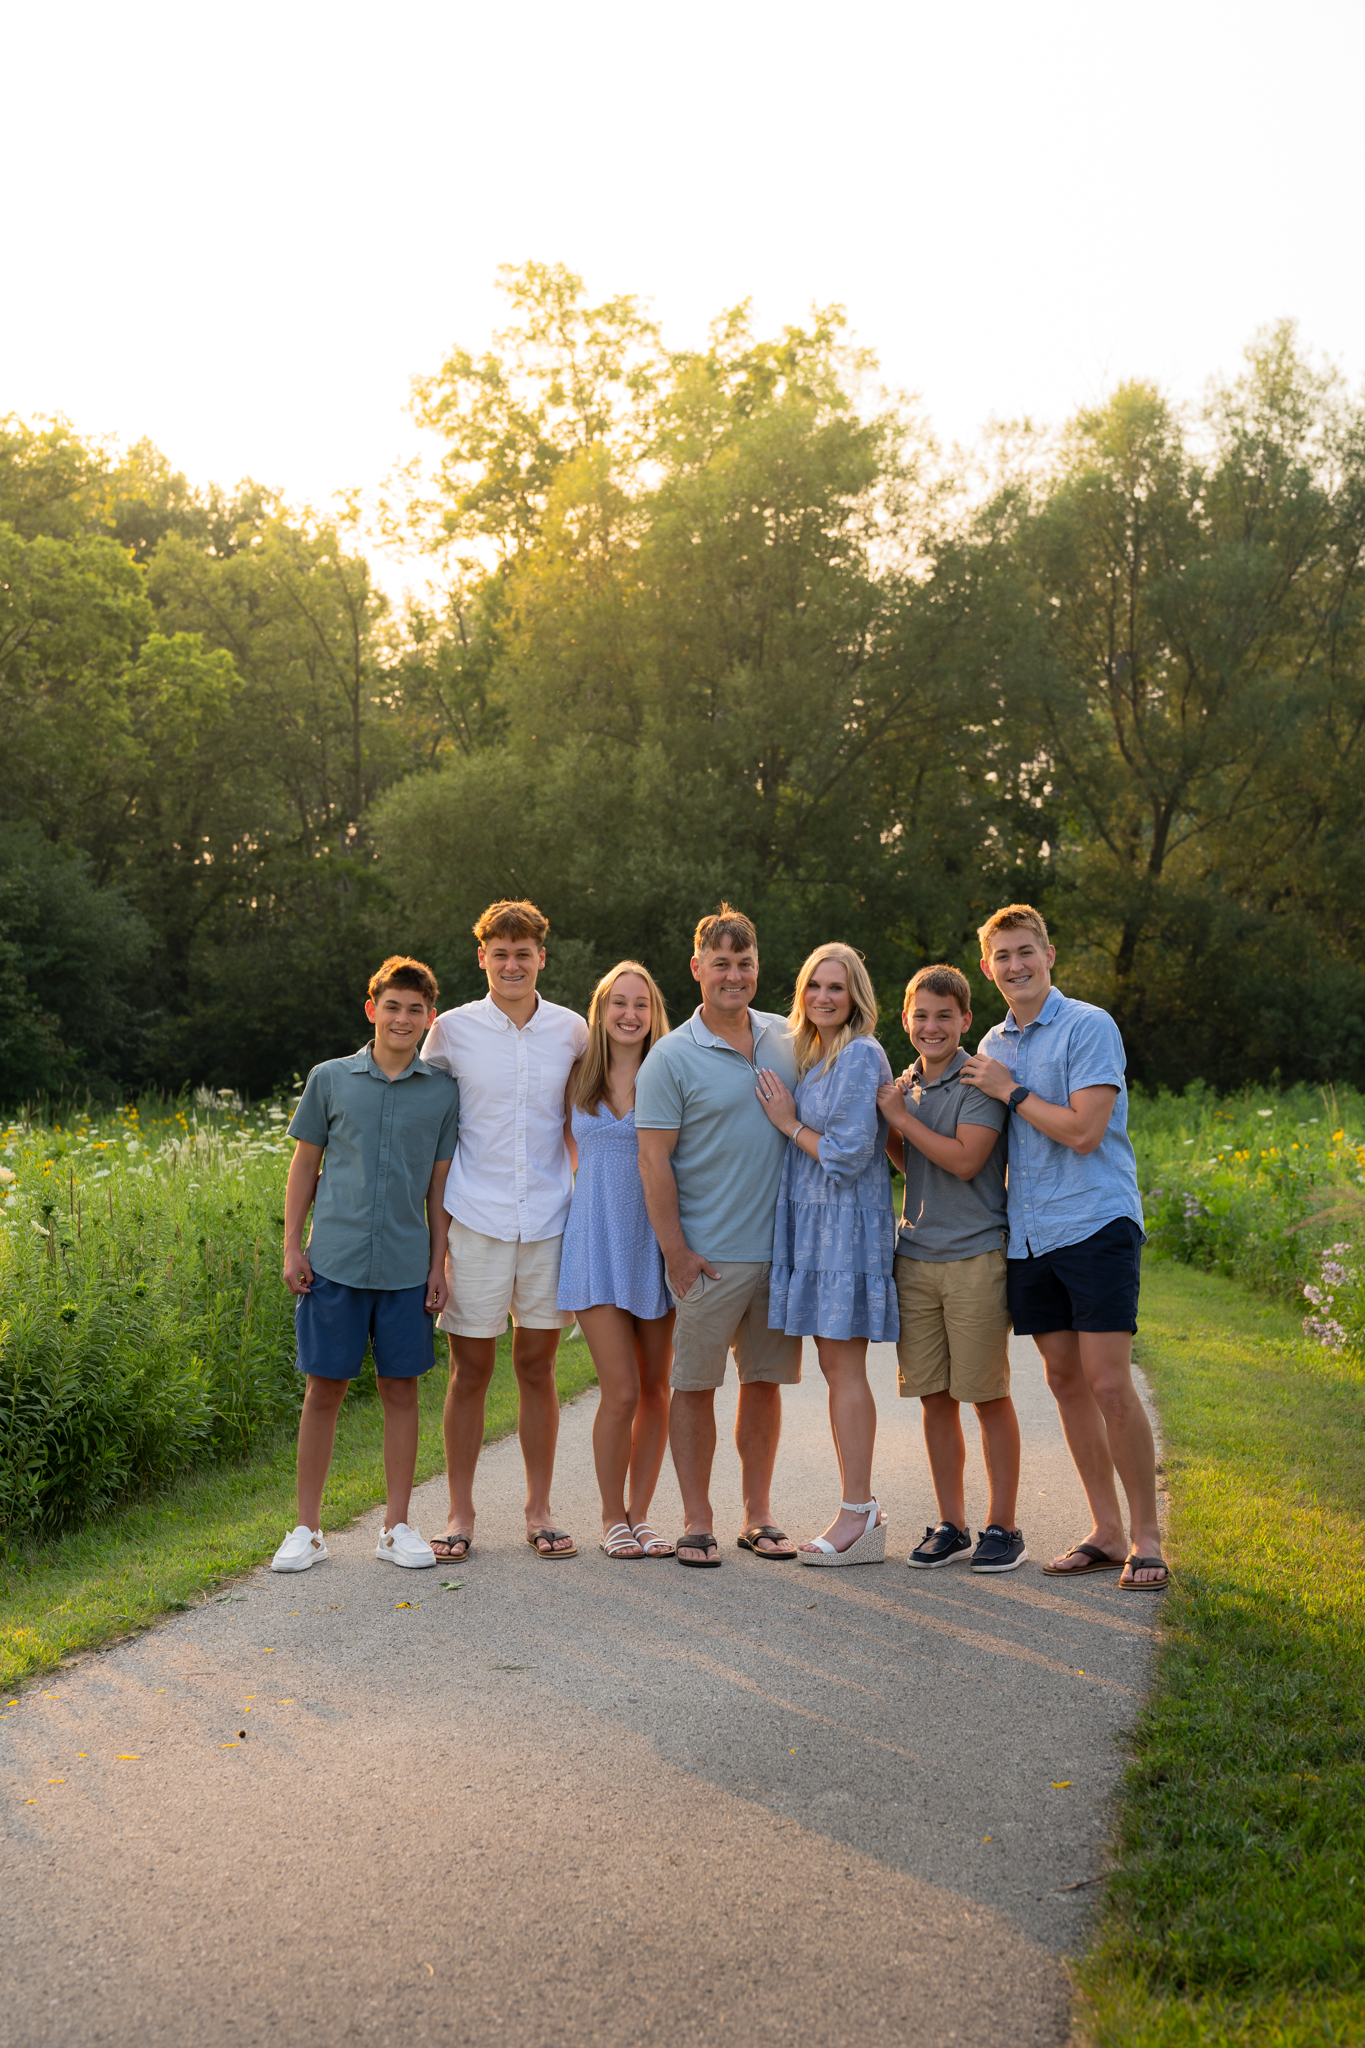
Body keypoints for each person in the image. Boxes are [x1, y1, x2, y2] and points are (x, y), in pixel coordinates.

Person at [960, 904, 1167, 1591]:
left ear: (1049, 954)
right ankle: (1104, 1531)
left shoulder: (1087, 1026)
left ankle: (1146, 1536)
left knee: (1108, 1382)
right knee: (1062, 1381)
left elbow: (1082, 1131)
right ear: (986, 968)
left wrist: (1009, 1090)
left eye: (1025, 951)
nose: (1014, 966)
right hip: (1029, 1234)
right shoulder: (989, 1043)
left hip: (1095, 1223)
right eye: (1001, 957)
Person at [273, 956, 460, 1574]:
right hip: (335, 1264)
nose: (402, 1018)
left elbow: (439, 1191)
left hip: (408, 1268)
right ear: (371, 1008)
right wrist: (292, 1245)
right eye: (392, 1006)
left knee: (399, 1390)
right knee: (322, 1389)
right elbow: (304, 1167)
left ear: (428, 1018)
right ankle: (308, 1529)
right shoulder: (330, 1079)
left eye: (414, 1010)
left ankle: (395, 1526)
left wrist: (440, 1264)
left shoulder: (441, 1091)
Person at [419, 901, 588, 1562]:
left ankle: (539, 1509)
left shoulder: (572, 1031)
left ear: (542, 957)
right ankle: (460, 1512)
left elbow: (589, 1118)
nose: (512, 964)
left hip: (549, 1219)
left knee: (537, 1366)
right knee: (470, 1370)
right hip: (478, 1220)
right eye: (500, 952)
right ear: (482, 957)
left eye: (523, 953)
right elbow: (423, 1120)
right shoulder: (450, 1032)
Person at [636, 904, 803, 1568]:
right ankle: (696, 1519)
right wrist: (674, 1248)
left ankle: (757, 1516)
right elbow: (652, 1161)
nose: (733, 976)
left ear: (757, 967)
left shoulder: (788, 1038)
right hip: (707, 1257)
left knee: (762, 1384)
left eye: (744, 964)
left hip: (779, 1252)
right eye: (721, 964)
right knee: (695, 1386)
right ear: (696, 968)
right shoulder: (670, 1057)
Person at [876, 965, 1025, 1573]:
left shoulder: (975, 1083)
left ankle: (1003, 1527)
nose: (931, 1026)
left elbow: (965, 1162)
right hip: (915, 1257)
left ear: (966, 1020)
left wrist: (900, 1117)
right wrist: (898, 1118)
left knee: (987, 1397)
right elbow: (911, 1161)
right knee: (934, 1399)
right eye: (921, 1015)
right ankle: (952, 1524)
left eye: (945, 1016)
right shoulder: (908, 1084)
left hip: (974, 1258)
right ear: (907, 1019)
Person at [755, 943, 896, 1566]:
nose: (824, 997)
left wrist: (787, 1123)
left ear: (856, 996)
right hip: (812, 1228)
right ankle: (857, 1510)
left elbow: (846, 1154)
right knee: (836, 1371)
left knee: (844, 1371)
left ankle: (858, 1515)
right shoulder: (815, 1055)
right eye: (815, 986)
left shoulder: (862, 1054)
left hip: (843, 1229)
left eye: (837, 988)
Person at [558, 961, 677, 1560]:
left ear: (654, 1012)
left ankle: (642, 1516)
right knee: (622, 1391)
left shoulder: (670, 1072)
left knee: (658, 1389)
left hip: (656, 1244)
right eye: (618, 1004)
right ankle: (611, 1516)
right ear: (600, 1013)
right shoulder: (576, 1076)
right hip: (595, 1245)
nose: (630, 1014)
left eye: (641, 1004)